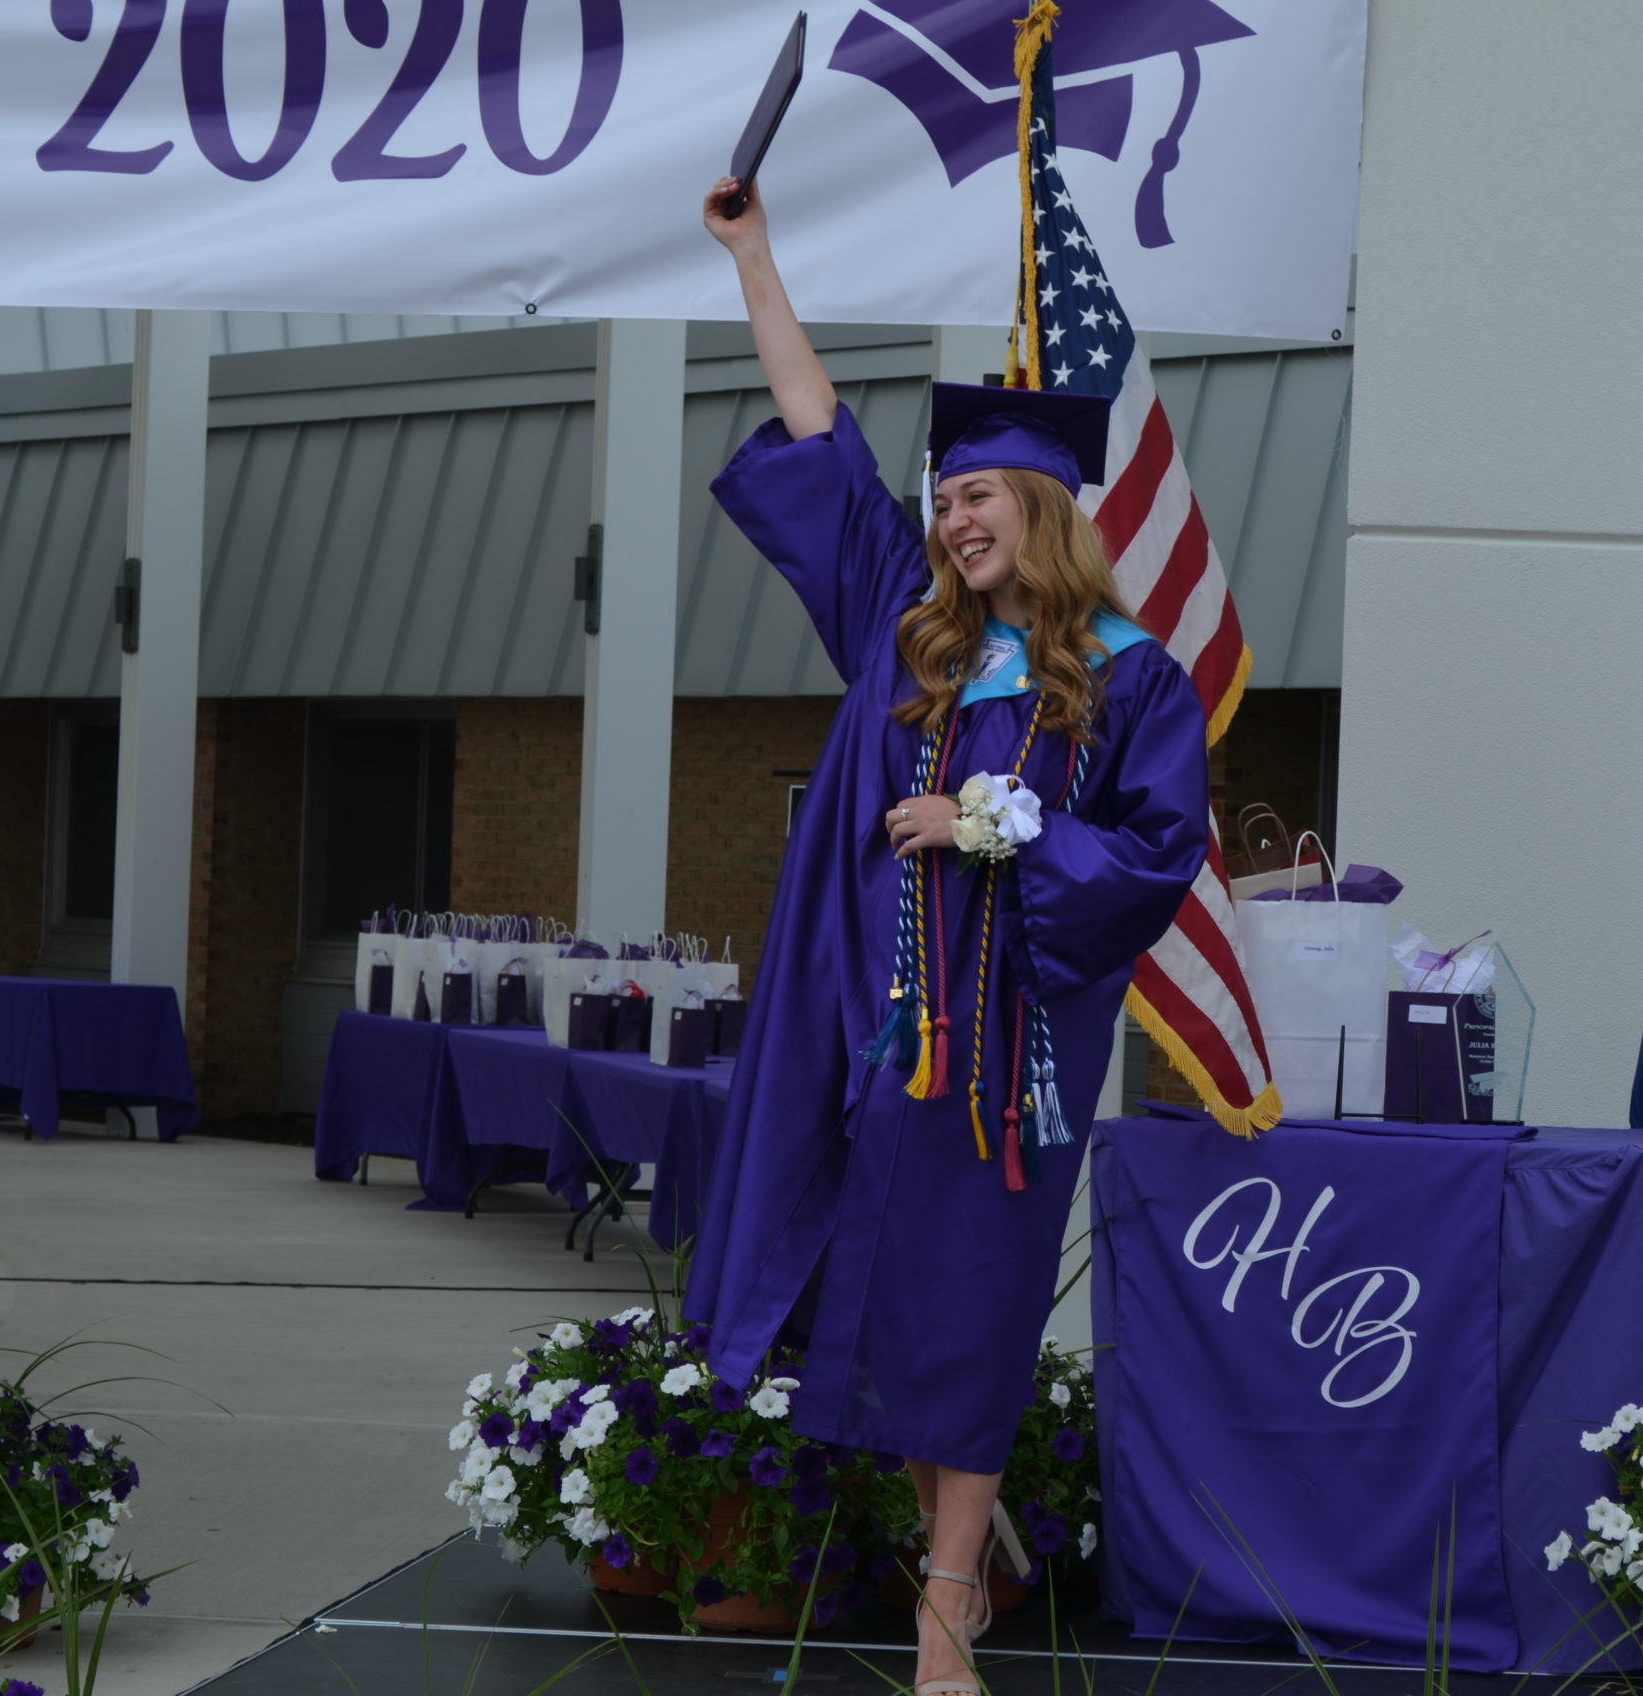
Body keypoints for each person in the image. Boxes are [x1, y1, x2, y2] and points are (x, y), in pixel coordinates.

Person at [687, 176, 1212, 1695]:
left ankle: (943, 1612)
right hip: (864, 1027)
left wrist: (1001, 822)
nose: (952, 514)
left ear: (1039, 511)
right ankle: (974, 1569)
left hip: (1006, 1053)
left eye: (979, 497)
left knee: (968, 1301)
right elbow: (815, 440)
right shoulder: (901, 634)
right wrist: (757, 260)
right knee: (871, 1296)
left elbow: (1159, 853)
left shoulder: (1131, 682)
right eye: (946, 498)